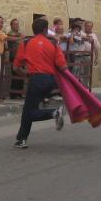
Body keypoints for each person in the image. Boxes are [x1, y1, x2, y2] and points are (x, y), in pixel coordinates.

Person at [12, 17, 67, 148]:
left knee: (30, 111)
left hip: (36, 80)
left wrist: (24, 74)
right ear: (44, 30)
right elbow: (63, 66)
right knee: (28, 110)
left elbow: (15, 68)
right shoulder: (53, 43)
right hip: (50, 80)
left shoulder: (25, 43)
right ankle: (21, 139)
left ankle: (54, 112)